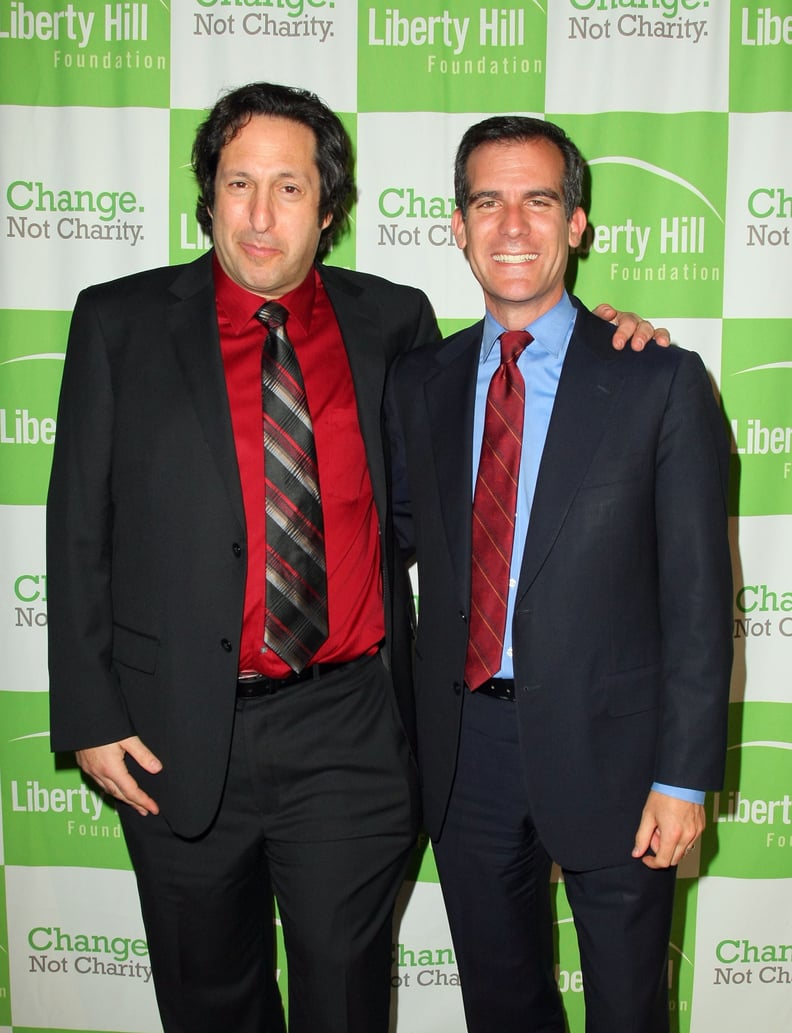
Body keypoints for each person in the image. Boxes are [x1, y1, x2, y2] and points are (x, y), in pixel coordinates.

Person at [47, 83, 665, 1033]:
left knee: (345, 1007)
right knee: (208, 1004)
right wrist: (90, 712)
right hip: (172, 735)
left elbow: (451, 497)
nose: (260, 213)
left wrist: (609, 353)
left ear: (327, 209)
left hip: (350, 733)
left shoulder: (395, 324)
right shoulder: (117, 323)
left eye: (289, 188)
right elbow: (79, 527)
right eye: (238, 183)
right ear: (205, 195)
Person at [384, 115, 733, 1033]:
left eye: (539, 200)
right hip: (468, 757)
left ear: (577, 222)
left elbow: (700, 602)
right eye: (487, 201)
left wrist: (685, 777)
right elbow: (386, 538)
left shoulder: (660, 380)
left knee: (628, 1010)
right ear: (456, 226)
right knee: (502, 1010)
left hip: (622, 760)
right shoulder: (420, 383)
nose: (512, 225)